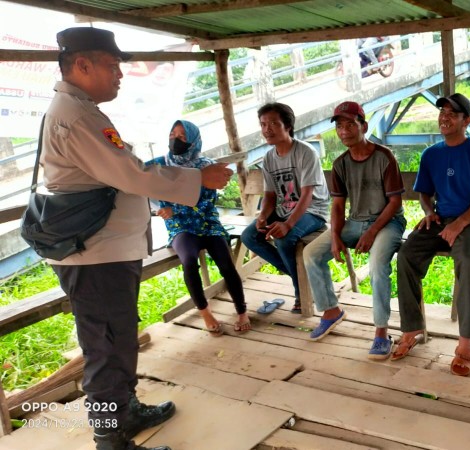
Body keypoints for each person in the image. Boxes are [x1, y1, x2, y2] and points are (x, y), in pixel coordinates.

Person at [43, 28, 233, 450]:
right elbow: (130, 173)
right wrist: (198, 178)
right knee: (106, 349)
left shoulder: (81, 110)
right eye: (112, 67)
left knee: (118, 339)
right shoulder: (76, 117)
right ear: (82, 65)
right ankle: (111, 439)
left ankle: (125, 410)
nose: (119, 75)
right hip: (95, 257)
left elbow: (122, 170)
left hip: (105, 252)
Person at [390, 93, 470, 377]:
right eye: (442, 111)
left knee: (467, 259)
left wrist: (460, 223)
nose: (445, 117)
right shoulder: (432, 154)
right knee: (407, 254)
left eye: (452, 114)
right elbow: (424, 193)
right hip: (442, 218)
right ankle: (411, 328)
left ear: (466, 121)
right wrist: (429, 212)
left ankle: (466, 343)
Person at [302, 102, 406, 356]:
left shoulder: (384, 157)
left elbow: (395, 203)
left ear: (364, 126)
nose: (344, 131)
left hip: (387, 223)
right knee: (312, 253)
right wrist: (336, 235)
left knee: (378, 265)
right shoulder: (340, 164)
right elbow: (338, 206)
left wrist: (371, 232)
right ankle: (331, 311)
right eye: (339, 126)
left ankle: (381, 331)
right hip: (355, 222)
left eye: (350, 124)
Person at [145, 120, 250, 336]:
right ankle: (205, 313)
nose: (175, 139)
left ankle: (242, 312)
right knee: (189, 262)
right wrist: (166, 210)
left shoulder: (208, 166)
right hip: (181, 227)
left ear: (193, 141)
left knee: (225, 263)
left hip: (208, 223)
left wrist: (175, 209)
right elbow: (137, 181)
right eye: (173, 134)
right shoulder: (159, 165)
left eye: (182, 137)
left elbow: (206, 203)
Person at [241, 103, 330, 313]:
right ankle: (300, 275)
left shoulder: (306, 153)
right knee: (249, 236)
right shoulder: (269, 158)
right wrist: (263, 216)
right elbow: (271, 195)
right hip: (283, 210)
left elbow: (308, 195)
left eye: (273, 123)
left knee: (283, 238)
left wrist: (288, 224)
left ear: (287, 126)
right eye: (263, 124)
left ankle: (301, 294)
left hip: (312, 211)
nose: (267, 130)